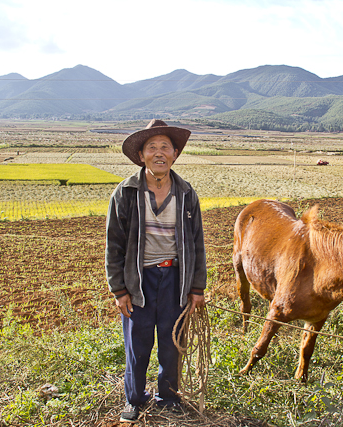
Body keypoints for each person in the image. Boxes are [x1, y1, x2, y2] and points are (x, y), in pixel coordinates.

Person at [105, 119, 207, 423]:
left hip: (175, 279)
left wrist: (197, 288)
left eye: (165, 147)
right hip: (139, 280)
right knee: (137, 343)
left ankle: (168, 397)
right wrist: (118, 289)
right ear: (141, 156)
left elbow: (198, 243)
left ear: (175, 154)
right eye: (152, 147)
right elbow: (114, 245)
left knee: (172, 342)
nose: (159, 153)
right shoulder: (125, 194)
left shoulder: (187, 194)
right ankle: (134, 399)